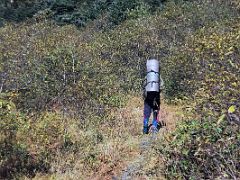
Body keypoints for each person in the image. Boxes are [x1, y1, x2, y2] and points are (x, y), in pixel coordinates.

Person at [143, 58, 164, 134]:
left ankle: (145, 129)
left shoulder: (147, 76)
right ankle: (154, 130)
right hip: (156, 97)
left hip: (148, 97)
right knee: (156, 112)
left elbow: (144, 85)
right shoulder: (158, 77)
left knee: (146, 112)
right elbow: (162, 86)